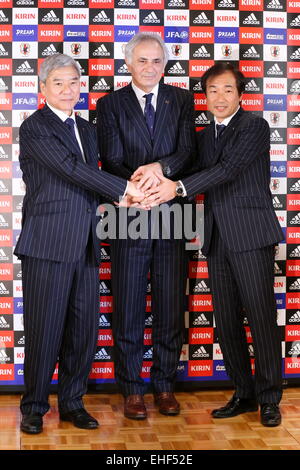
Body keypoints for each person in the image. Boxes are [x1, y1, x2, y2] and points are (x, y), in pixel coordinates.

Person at [146, 62, 284, 427]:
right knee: (225, 321)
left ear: (240, 93)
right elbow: (188, 170)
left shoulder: (254, 126)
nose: (219, 97)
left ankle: (270, 398)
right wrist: (153, 176)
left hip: (251, 234)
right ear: (204, 96)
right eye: (212, 91)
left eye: (227, 90)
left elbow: (228, 169)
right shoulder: (205, 136)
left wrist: (174, 187)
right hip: (218, 237)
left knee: (260, 318)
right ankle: (244, 392)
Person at [14, 53, 143, 434]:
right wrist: (124, 190)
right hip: (48, 244)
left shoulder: (87, 129)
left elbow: (90, 180)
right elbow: (71, 170)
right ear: (42, 89)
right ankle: (35, 406)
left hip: (86, 243)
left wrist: (129, 193)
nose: (68, 90)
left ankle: (72, 402)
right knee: (45, 329)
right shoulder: (35, 128)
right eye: (59, 83)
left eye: (73, 82)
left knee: (83, 331)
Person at [96, 33, 195, 419]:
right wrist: (139, 189)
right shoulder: (110, 104)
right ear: (128, 64)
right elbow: (110, 157)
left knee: (171, 305)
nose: (150, 67)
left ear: (165, 64)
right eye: (142, 61)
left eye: (156, 61)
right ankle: (133, 389)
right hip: (129, 211)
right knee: (130, 304)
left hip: (173, 211)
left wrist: (161, 171)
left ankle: (165, 386)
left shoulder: (182, 100)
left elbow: (188, 150)